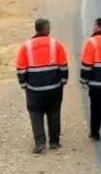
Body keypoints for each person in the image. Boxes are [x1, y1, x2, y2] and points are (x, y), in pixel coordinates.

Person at [15, 18, 68, 154]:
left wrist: (24, 84)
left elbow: (21, 68)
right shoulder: (56, 44)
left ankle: (40, 143)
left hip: (34, 89)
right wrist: (63, 81)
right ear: (46, 29)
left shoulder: (26, 47)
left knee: (35, 114)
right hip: (54, 87)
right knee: (54, 113)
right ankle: (54, 142)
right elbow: (63, 66)